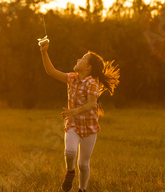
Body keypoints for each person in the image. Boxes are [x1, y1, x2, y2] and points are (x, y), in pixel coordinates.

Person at [39, 38, 120, 192]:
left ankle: (82, 189)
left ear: (88, 67)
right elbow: (51, 71)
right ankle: (70, 172)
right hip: (73, 125)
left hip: (90, 128)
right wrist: (44, 52)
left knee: (83, 164)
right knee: (69, 152)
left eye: (82, 58)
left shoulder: (92, 83)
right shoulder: (72, 78)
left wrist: (74, 111)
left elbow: (91, 104)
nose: (78, 59)